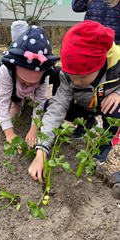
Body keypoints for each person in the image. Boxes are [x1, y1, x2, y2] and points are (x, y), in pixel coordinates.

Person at [28, 20, 120, 183]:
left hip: (107, 103)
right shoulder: (68, 75)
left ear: (99, 65)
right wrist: (41, 150)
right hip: (85, 104)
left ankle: (105, 146)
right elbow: (58, 108)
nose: (76, 82)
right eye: (72, 78)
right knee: (51, 105)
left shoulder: (116, 65)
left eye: (82, 77)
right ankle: (88, 123)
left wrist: (118, 93)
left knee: (116, 112)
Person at [0, 25, 60, 148]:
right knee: (10, 90)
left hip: (30, 78)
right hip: (11, 83)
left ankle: (21, 95)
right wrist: (9, 133)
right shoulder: (6, 70)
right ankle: (17, 102)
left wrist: (34, 128)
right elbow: (1, 101)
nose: (28, 84)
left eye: (33, 82)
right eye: (24, 80)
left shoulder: (44, 73)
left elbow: (40, 101)